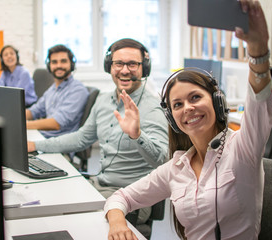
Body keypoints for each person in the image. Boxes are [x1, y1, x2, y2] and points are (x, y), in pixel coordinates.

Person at [104, 1, 272, 240]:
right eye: (177, 104)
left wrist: (258, 50)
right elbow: (119, 197)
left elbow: (260, 103)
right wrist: (117, 223)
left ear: (217, 101)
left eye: (195, 97)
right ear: (172, 118)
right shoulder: (177, 167)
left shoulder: (242, 149)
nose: (188, 108)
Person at [28, 38, 168, 222]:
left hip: (130, 199)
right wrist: (36, 145)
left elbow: (162, 161)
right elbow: (81, 138)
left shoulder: (152, 109)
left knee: (60, 218)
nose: (125, 70)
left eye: (133, 64)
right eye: (118, 63)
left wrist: (137, 135)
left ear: (144, 68)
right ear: (109, 66)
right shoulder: (103, 100)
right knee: (42, 201)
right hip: (99, 184)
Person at [26, 44, 89, 138]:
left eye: (63, 61)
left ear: (71, 64)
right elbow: (34, 111)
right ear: (49, 65)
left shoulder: (78, 90)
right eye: (54, 62)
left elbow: (56, 123)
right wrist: (14, 117)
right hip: (44, 138)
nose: (59, 65)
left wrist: (23, 125)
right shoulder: (52, 90)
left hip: (59, 146)